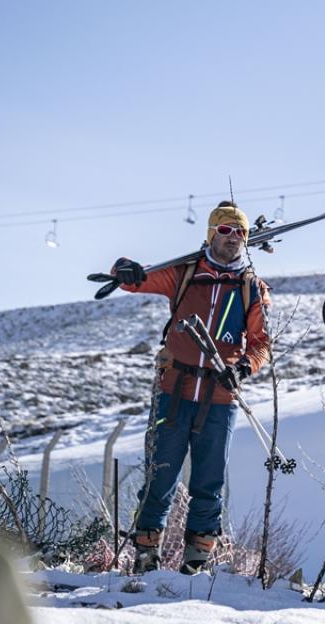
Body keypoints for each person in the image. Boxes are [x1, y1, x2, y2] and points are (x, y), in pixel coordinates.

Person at [114, 201, 272, 575]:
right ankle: (145, 555)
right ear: (211, 233)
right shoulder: (185, 273)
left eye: (240, 232)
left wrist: (243, 368)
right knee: (160, 475)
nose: (232, 237)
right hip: (173, 391)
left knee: (209, 481)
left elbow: (261, 343)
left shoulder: (251, 287)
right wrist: (123, 267)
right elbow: (134, 280)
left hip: (220, 397)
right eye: (225, 230)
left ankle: (196, 562)